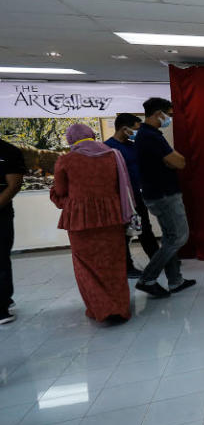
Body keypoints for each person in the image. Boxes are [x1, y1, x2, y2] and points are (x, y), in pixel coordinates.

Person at [50, 124, 134, 323]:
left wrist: (67, 201)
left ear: (71, 140)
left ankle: (102, 309)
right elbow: (121, 187)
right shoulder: (113, 155)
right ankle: (119, 308)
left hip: (80, 221)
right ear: (92, 136)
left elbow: (60, 192)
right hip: (111, 218)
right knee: (114, 263)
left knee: (85, 266)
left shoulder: (66, 160)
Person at [134, 97, 196, 298]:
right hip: (164, 194)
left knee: (170, 238)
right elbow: (179, 162)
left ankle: (175, 280)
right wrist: (172, 160)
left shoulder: (149, 135)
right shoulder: (149, 137)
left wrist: (173, 160)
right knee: (179, 237)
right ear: (157, 114)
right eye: (168, 115)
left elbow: (176, 160)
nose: (169, 118)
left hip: (159, 193)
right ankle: (147, 278)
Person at [105, 113, 159, 279]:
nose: (137, 132)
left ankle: (158, 261)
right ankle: (127, 267)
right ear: (124, 128)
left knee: (145, 231)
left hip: (137, 197)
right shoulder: (108, 149)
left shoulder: (132, 146)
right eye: (135, 129)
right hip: (120, 200)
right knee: (123, 235)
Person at [0, 138, 25, 325]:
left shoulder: (7, 151)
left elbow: (14, 184)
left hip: (1, 214)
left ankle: (2, 306)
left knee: (0, 257)